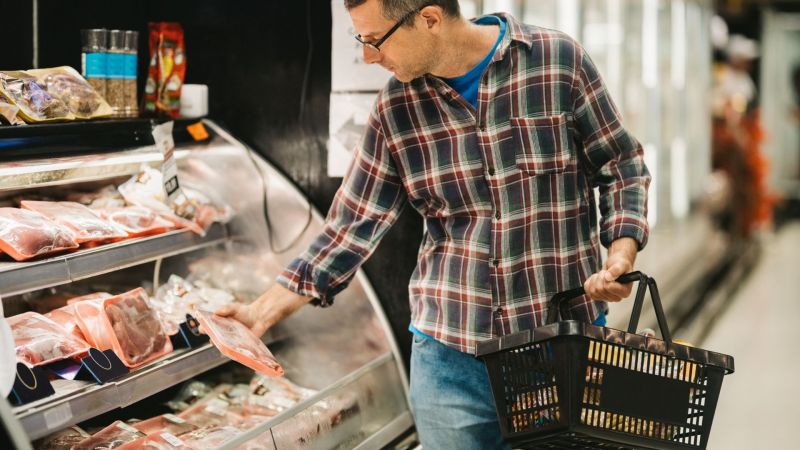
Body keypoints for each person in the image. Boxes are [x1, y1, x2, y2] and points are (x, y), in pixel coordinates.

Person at [217, 1, 650, 448]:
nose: (368, 57)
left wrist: (620, 256)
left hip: (559, 346)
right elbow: (351, 225)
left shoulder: (558, 61)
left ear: (428, 19)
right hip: (449, 362)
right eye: (360, 41)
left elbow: (621, 165)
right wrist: (257, 312)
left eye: (374, 40)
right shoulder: (396, 108)